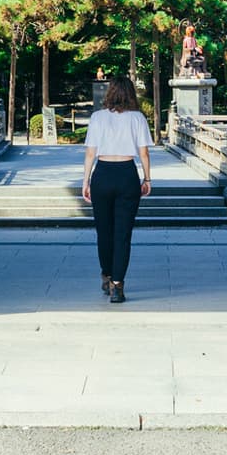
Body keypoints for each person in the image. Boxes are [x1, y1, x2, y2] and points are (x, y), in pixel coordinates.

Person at [82, 73, 152, 304]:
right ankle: (118, 285)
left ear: (110, 92)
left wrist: (86, 181)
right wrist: (147, 179)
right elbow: (143, 153)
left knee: (104, 231)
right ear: (130, 93)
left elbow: (90, 152)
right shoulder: (137, 118)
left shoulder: (98, 118)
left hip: (102, 173)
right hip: (126, 174)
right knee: (123, 234)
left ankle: (107, 274)